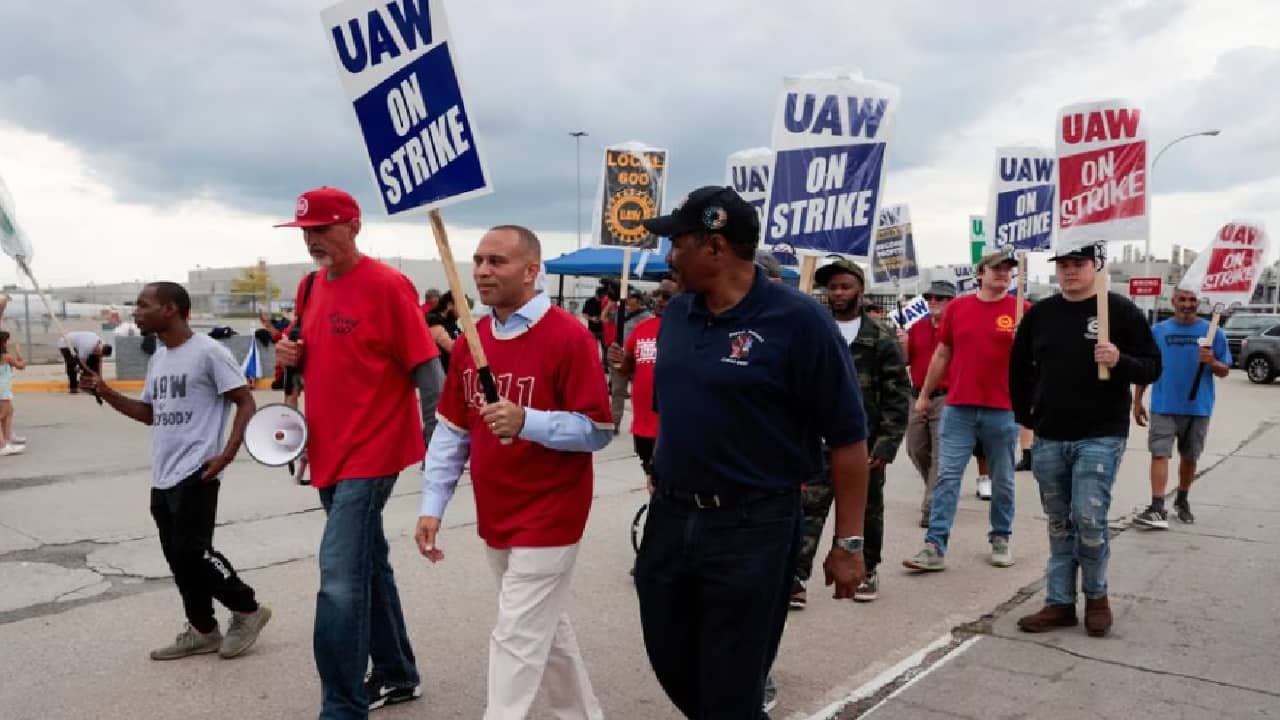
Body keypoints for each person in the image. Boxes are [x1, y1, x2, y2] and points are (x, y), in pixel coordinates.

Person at [634, 185, 870, 717]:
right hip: (671, 518)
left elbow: (849, 440)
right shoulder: (676, 316)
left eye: (677, 240)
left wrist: (849, 543)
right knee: (670, 658)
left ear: (714, 247)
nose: (668, 255)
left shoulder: (800, 321)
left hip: (752, 525)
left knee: (732, 682)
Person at [416, 224, 613, 720]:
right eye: (478, 260)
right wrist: (431, 505)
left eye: (496, 261)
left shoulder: (569, 337)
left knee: (516, 636)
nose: (482, 270)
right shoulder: (470, 341)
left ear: (531, 270)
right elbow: (451, 433)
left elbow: (598, 429)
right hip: (497, 511)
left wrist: (529, 421)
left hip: (552, 512)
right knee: (546, 629)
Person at [273, 186, 444, 717]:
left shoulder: (388, 287)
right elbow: (311, 355)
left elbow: (429, 374)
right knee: (368, 566)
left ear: (354, 226)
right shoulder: (309, 287)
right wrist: (290, 354)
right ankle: (396, 674)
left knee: (339, 580)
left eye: (322, 228)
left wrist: (439, 459)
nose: (312, 240)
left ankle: (342, 707)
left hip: (374, 452)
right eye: (305, 231)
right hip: (326, 450)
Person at [77, 282, 271, 660]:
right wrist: (105, 390)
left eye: (143, 305)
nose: (136, 312)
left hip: (198, 470)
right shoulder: (159, 359)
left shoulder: (209, 353)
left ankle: (247, 610)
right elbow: (149, 414)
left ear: (170, 309)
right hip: (163, 474)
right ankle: (203, 629)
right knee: (177, 557)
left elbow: (245, 401)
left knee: (193, 552)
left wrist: (228, 453)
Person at [1010, 244, 1161, 637]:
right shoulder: (1040, 314)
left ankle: (1097, 598)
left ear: (1096, 266)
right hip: (1050, 436)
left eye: (1078, 264)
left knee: (1089, 520)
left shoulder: (1119, 310)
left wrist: (1119, 360)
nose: (1070, 271)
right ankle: (1059, 603)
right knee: (1060, 525)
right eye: (1063, 265)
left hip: (1101, 434)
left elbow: (1152, 365)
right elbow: (1019, 370)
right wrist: (1027, 418)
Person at [793, 259, 910, 606]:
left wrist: (886, 446)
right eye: (832, 287)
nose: (838, 293)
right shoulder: (816, 330)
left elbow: (897, 397)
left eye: (845, 286)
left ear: (859, 289)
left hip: (864, 446)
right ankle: (796, 576)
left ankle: (867, 568)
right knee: (807, 508)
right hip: (816, 443)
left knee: (867, 510)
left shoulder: (880, 338)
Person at [904, 251, 1027, 572]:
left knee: (1002, 480)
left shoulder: (1022, 310)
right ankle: (934, 545)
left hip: (1003, 410)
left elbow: (1039, 362)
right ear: (980, 273)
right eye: (996, 269)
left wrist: (1025, 344)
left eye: (1008, 270)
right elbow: (943, 353)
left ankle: (1000, 538)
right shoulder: (958, 308)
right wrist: (925, 395)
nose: (1003, 274)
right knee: (947, 476)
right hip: (959, 407)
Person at [1133, 287, 1229, 528]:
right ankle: (1157, 506)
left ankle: (1182, 500)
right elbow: (1147, 367)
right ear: (1173, 302)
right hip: (1164, 405)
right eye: (1182, 299)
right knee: (1159, 453)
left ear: (1199, 303)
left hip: (1198, 406)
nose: (1187, 304)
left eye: (1192, 300)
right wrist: (1137, 401)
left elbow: (1225, 370)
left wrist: (1212, 361)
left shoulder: (1213, 332)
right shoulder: (1158, 331)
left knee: (1190, 457)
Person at [608, 279, 678, 489]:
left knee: (668, 483)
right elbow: (627, 367)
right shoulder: (642, 328)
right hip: (643, 424)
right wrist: (617, 360)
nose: (659, 300)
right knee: (652, 479)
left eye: (666, 296)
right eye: (657, 294)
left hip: (672, 427)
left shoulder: (687, 329)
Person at [899, 280, 956, 527]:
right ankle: (940, 492)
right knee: (916, 449)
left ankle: (932, 508)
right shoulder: (916, 327)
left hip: (947, 397)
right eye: (930, 297)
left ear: (951, 302)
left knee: (940, 457)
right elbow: (904, 361)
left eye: (940, 298)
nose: (933, 301)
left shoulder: (957, 328)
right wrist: (901, 343)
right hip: (917, 395)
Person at [607, 287, 654, 434]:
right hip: (620, 357)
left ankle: (643, 422)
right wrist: (612, 302)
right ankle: (615, 423)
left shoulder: (648, 317)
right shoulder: (622, 314)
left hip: (638, 359)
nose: (628, 300)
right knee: (617, 392)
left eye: (631, 297)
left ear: (639, 301)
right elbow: (604, 317)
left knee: (641, 392)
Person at [0, 330, 26, 455]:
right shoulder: (7, 357)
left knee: (9, 412)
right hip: (2, 390)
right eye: (6, 341)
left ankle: (7, 439)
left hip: (4, 390)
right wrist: (19, 353)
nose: (7, 343)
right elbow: (21, 366)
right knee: (2, 416)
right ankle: (2, 445)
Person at [426, 290, 465, 372]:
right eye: (461, 306)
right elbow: (452, 347)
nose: (463, 311)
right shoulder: (434, 321)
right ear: (450, 305)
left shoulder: (451, 322)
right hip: (441, 374)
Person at [58, 330, 105, 394]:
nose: (97, 353)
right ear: (97, 347)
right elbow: (82, 362)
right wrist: (91, 372)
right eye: (97, 352)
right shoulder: (87, 345)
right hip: (66, 344)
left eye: (99, 353)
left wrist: (100, 377)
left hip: (79, 342)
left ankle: (87, 383)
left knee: (92, 362)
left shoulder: (103, 345)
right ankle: (73, 387)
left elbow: (99, 362)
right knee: (72, 365)